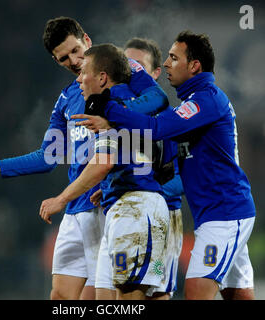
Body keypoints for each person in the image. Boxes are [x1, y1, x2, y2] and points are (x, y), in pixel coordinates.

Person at [0, 17, 168, 300]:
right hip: (74, 207)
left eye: (75, 50)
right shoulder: (67, 98)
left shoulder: (123, 72)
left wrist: (116, 112)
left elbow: (158, 98)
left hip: (107, 201)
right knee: (60, 297)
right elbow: (48, 156)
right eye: (63, 58)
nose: (73, 60)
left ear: (86, 39)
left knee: (106, 298)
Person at [72, 31, 256, 300]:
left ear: (194, 66)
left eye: (174, 58)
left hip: (225, 213)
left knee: (194, 291)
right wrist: (127, 180)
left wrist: (107, 111)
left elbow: (155, 128)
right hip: (213, 213)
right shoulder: (191, 105)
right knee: (238, 294)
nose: (168, 64)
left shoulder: (206, 101)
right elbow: (163, 154)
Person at [40, 43, 170, 300]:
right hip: (125, 204)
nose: (78, 78)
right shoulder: (134, 104)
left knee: (130, 298)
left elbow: (102, 163)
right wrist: (114, 182)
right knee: (108, 298)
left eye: (84, 71)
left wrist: (61, 199)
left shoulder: (108, 106)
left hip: (136, 209)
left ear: (102, 77)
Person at [124, 37, 184, 299]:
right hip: (126, 218)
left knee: (157, 294)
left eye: (137, 66)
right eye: (125, 67)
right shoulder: (118, 118)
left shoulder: (173, 120)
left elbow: (185, 176)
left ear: (155, 73)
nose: (130, 73)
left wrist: (151, 194)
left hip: (163, 218)